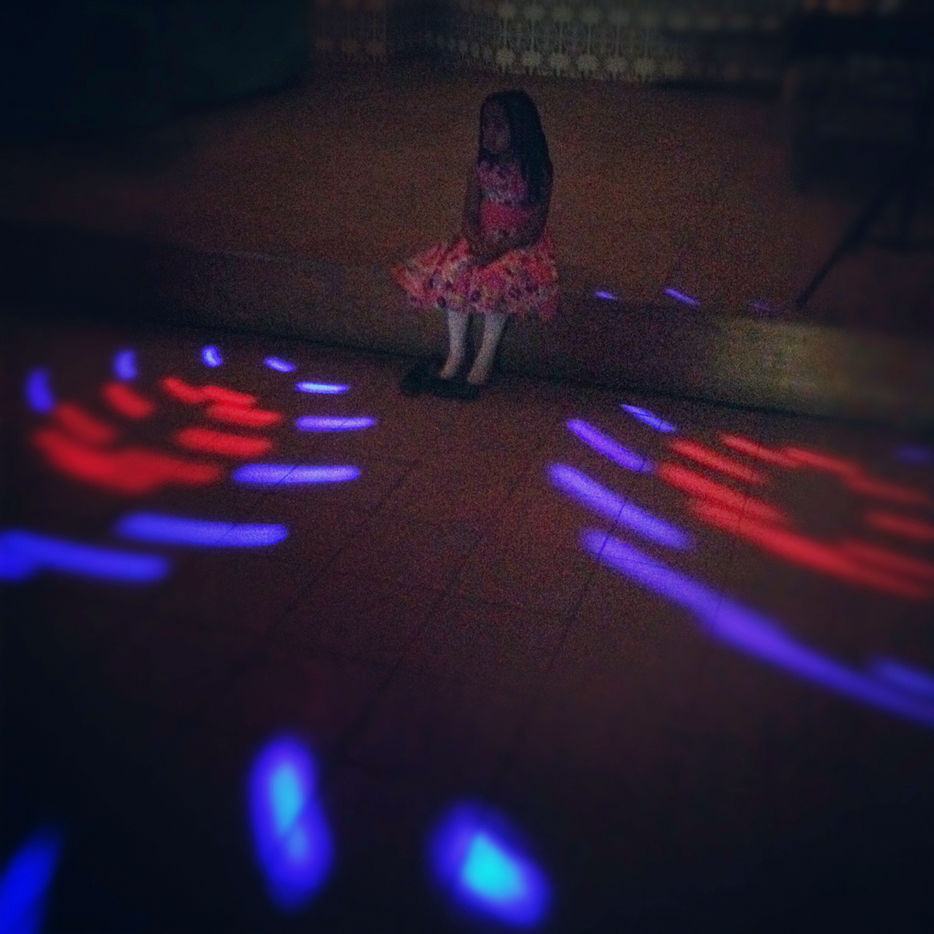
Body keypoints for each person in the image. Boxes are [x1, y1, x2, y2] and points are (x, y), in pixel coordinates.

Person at [391, 89, 559, 398]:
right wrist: (476, 241)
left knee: (497, 278)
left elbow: (534, 226)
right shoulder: (481, 167)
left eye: (499, 126)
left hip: (518, 243)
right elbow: (469, 215)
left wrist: (499, 249)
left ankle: (485, 356)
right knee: (454, 272)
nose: (489, 134)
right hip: (483, 238)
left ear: (520, 129)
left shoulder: (538, 170)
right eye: (485, 125)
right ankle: (456, 353)